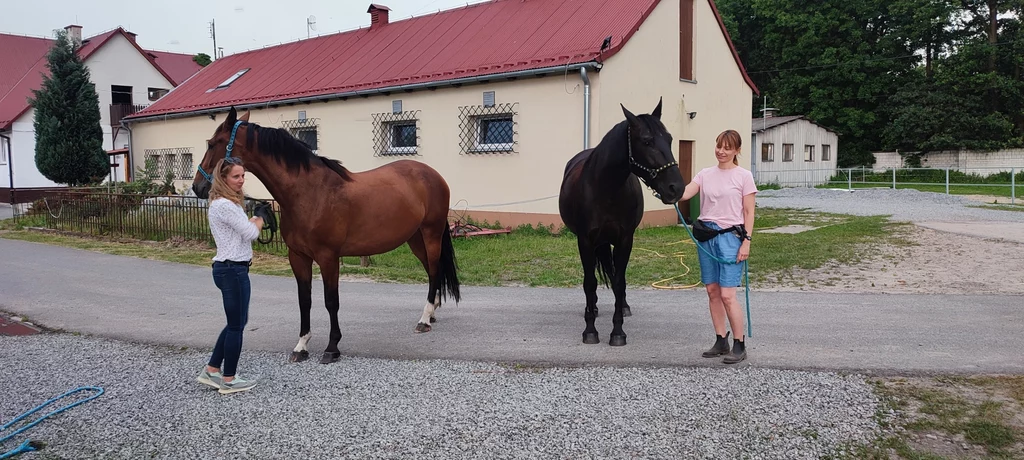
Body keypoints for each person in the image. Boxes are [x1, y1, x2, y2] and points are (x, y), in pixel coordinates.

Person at [679, 129, 757, 364]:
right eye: (719, 146)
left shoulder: (744, 176)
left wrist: (747, 242)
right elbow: (683, 194)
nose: (721, 151)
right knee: (712, 291)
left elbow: (749, 211)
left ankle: (739, 344)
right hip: (706, 236)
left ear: (737, 151)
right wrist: (665, 187)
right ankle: (721, 339)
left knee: (727, 295)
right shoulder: (705, 174)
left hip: (731, 238)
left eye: (727, 148)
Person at [196, 157, 264, 394]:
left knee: (237, 322)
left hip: (232, 268)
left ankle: (213, 369)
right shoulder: (224, 205)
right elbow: (250, 233)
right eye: (236, 176)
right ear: (223, 178)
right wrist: (260, 218)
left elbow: (242, 230)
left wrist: (253, 217)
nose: (241, 180)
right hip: (232, 269)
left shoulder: (226, 203)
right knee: (237, 325)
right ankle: (229, 378)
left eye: (243, 175)